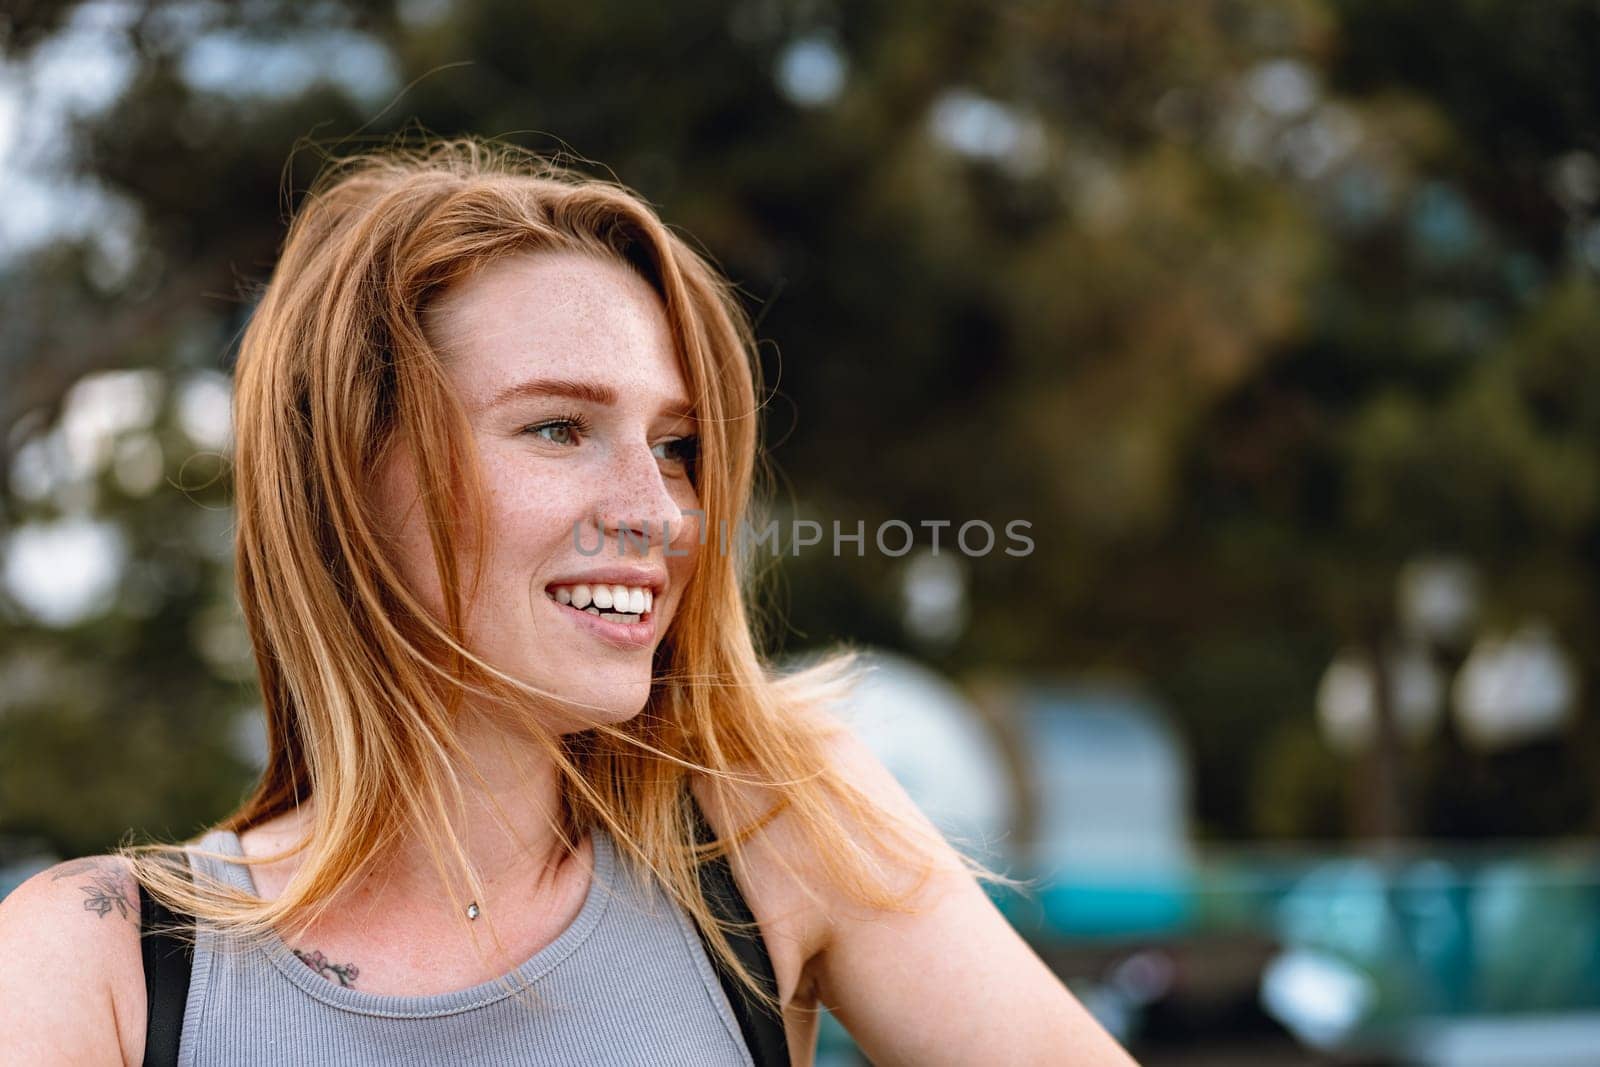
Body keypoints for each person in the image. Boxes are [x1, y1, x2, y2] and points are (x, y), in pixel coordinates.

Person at [0, 136, 1137, 1066]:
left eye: (678, 445)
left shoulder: (770, 834)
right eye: (557, 426)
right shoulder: (99, 963)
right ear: (349, 470)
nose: (661, 512)